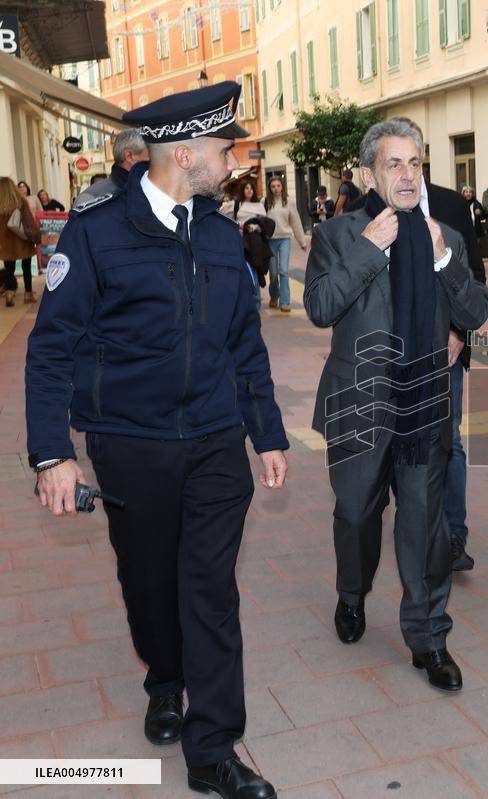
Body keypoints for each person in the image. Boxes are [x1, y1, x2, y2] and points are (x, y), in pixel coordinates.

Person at [25, 81, 288, 799]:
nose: (232, 158)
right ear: (186, 151)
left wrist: (266, 431)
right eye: (225, 146)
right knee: (149, 583)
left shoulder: (218, 230)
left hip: (211, 440)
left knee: (209, 589)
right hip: (129, 443)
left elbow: (243, 341)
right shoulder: (98, 228)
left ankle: (214, 749)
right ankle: (164, 677)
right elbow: (51, 346)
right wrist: (53, 452)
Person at [303, 118, 488, 691]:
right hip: (359, 404)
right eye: (394, 164)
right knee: (356, 514)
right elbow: (319, 306)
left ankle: (429, 637)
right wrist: (368, 250)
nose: (408, 176)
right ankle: (352, 593)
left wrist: (441, 261)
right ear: (368, 173)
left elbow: (477, 311)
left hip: (424, 403)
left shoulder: (446, 237)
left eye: (415, 164)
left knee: (424, 526)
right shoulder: (339, 234)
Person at [264, 175, 307, 312]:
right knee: (273, 272)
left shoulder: (289, 202)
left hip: (284, 240)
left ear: (282, 187)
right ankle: (274, 295)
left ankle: (285, 301)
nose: (276, 189)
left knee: (283, 270)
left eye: (278, 186)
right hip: (270, 240)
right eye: (273, 186)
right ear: (269, 189)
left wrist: (302, 241)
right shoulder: (265, 202)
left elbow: (296, 222)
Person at [74, 128, 148, 208]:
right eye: (149, 157)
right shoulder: (90, 199)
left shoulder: (149, 191)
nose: (154, 163)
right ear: (129, 156)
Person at [1, 176, 41, 305]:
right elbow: (28, 222)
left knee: (9, 268)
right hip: (22, 239)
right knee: (26, 266)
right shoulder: (21, 201)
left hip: (5, 241)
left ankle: (9, 293)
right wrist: (35, 235)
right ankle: (28, 294)